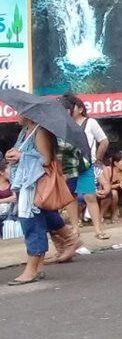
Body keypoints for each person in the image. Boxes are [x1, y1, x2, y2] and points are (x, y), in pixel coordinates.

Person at [5, 118, 81, 285]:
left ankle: (31, 269)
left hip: (35, 185)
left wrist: (21, 155)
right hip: (26, 183)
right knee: (38, 221)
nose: (17, 115)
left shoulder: (40, 131)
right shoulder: (26, 131)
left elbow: (45, 160)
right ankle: (39, 265)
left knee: (32, 225)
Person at [59, 93, 110, 239]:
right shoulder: (64, 124)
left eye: (71, 107)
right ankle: (75, 227)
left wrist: (97, 158)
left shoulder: (90, 122)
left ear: (80, 109)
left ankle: (98, 229)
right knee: (70, 197)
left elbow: (104, 141)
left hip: (86, 164)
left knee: (90, 196)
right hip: (69, 165)